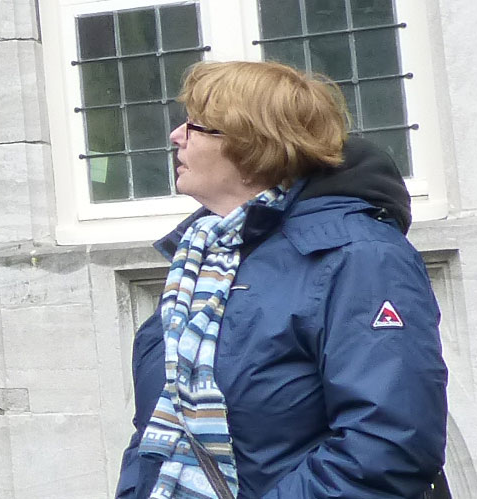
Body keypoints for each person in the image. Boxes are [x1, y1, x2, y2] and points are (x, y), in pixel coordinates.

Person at [116, 60, 447, 499]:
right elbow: (155, 434)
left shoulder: (360, 255)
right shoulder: (201, 262)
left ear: (252, 146)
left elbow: (388, 443)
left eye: (196, 127)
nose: (176, 135)